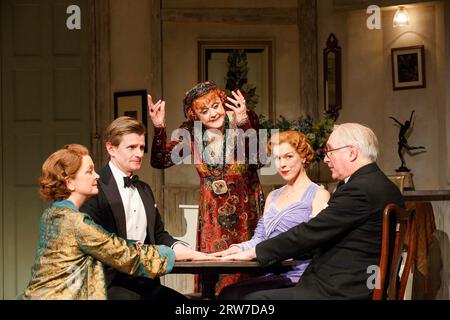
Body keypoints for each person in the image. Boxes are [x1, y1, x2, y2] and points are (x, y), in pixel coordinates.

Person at [221, 123, 404, 300]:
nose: (325, 159)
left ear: (352, 152)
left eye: (330, 151)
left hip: (342, 289)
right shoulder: (385, 187)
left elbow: (312, 232)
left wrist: (257, 252)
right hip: (359, 283)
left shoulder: (360, 190)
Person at [148, 81, 264, 293]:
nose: (212, 113)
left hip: (246, 213)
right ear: (195, 116)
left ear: (223, 103)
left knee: (247, 280)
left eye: (216, 106)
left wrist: (244, 122)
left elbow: (260, 159)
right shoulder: (191, 133)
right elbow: (159, 161)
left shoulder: (243, 119)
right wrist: (158, 128)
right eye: (204, 110)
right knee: (214, 277)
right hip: (213, 219)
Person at [19, 144, 175, 300]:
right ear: (69, 182)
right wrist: (169, 253)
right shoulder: (75, 222)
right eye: (89, 171)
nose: (97, 176)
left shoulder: (52, 213)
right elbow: (122, 253)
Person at [80, 117, 209, 300]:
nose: (139, 153)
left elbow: (158, 234)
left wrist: (183, 249)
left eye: (141, 147)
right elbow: (98, 245)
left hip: (145, 280)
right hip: (108, 283)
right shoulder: (95, 187)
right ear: (111, 149)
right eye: (131, 147)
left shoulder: (144, 189)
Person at [213, 131, 330, 299]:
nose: (282, 164)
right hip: (270, 273)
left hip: (298, 276)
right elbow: (260, 238)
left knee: (233, 295)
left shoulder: (318, 194)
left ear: (303, 156)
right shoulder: (274, 196)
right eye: (277, 158)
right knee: (227, 292)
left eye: (288, 156)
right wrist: (236, 249)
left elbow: (314, 243)